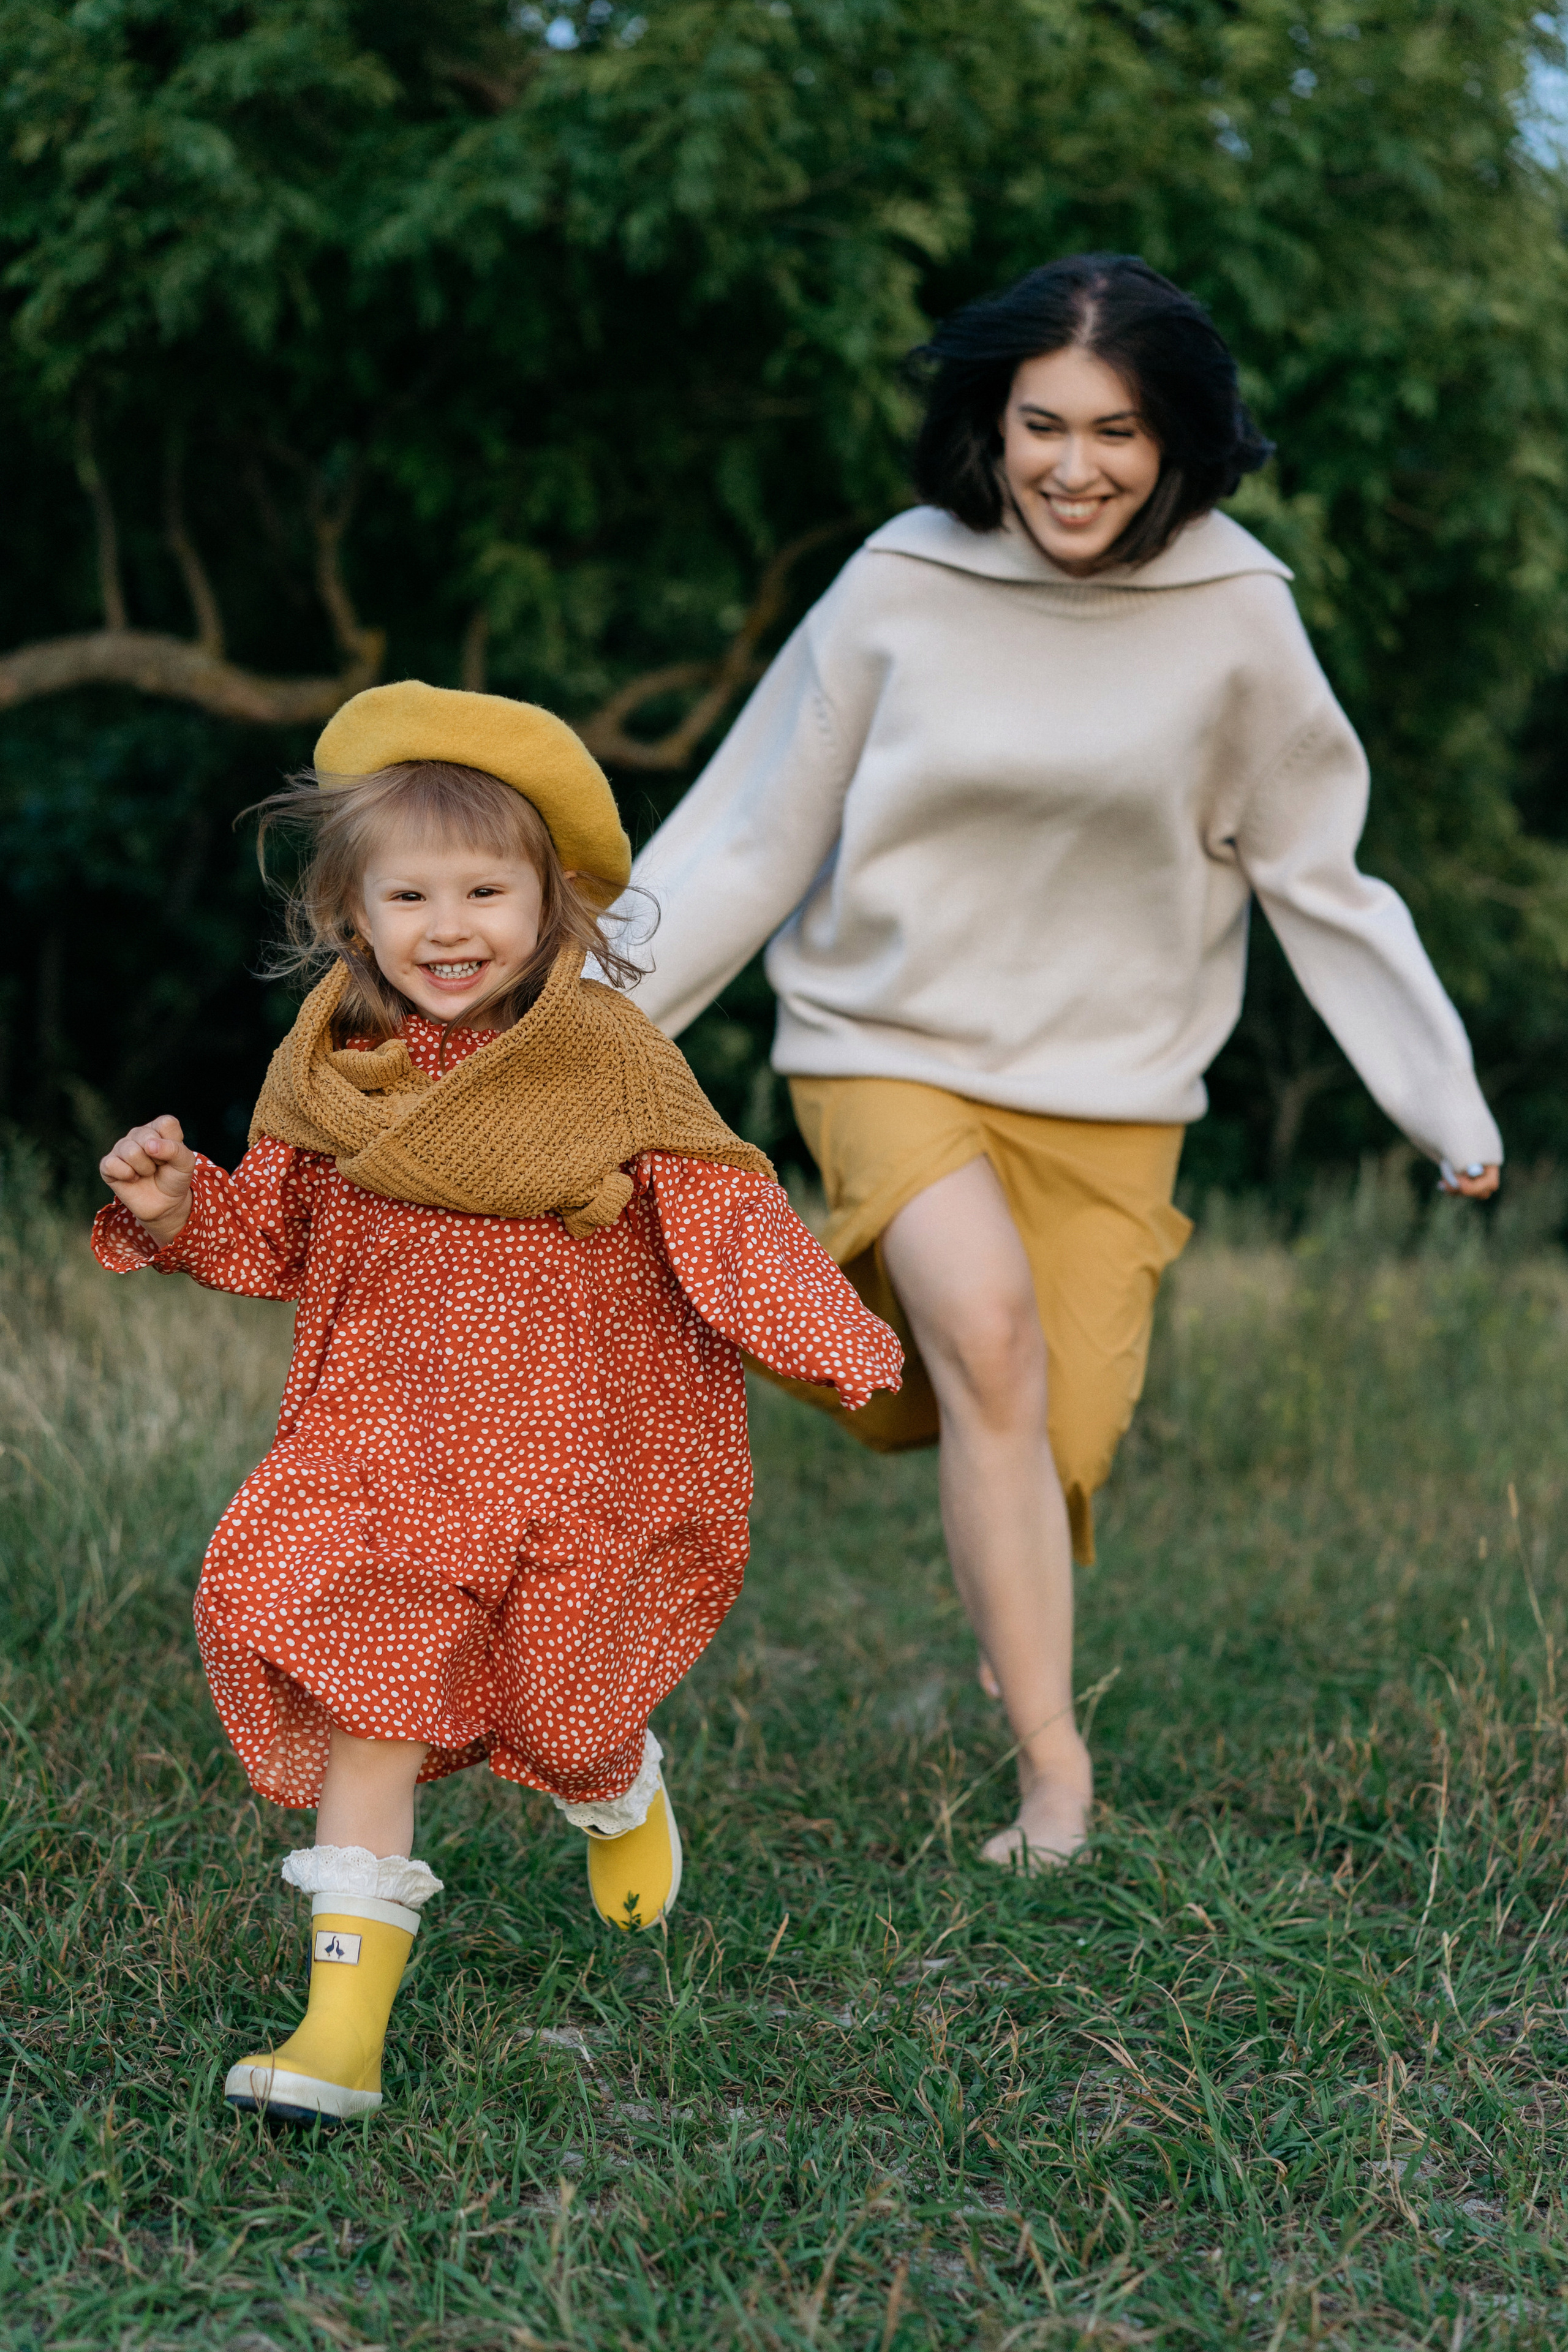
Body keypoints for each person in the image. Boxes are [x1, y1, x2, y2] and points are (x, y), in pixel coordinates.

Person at [615, 252, 1503, 1874]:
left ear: (1175, 443)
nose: (1073, 467)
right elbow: (750, 835)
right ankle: (1054, 1775)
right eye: (1042, 425)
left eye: (1116, 431)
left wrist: (1438, 1099)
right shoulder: (899, 580)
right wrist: (574, 1040)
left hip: (1113, 1090)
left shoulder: (1236, 613)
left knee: (1050, 1435)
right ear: (991, 423)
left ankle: (970, 1562)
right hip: (885, 1040)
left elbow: (1317, 875)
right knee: (989, 1339)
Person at [94, 680, 900, 2127]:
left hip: (573, 1455)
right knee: (371, 1698)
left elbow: (724, 1214)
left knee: (565, 1710)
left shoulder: (606, 1059)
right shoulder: (332, 1067)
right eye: (409, 894)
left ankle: (614, 1783)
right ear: (351, 912)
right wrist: (177, 1209)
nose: (447, 926)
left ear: (551, 903)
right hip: (382, 1453)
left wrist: (829, 1335)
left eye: (484, 891)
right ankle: (339, 2038)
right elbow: (273, 1240)